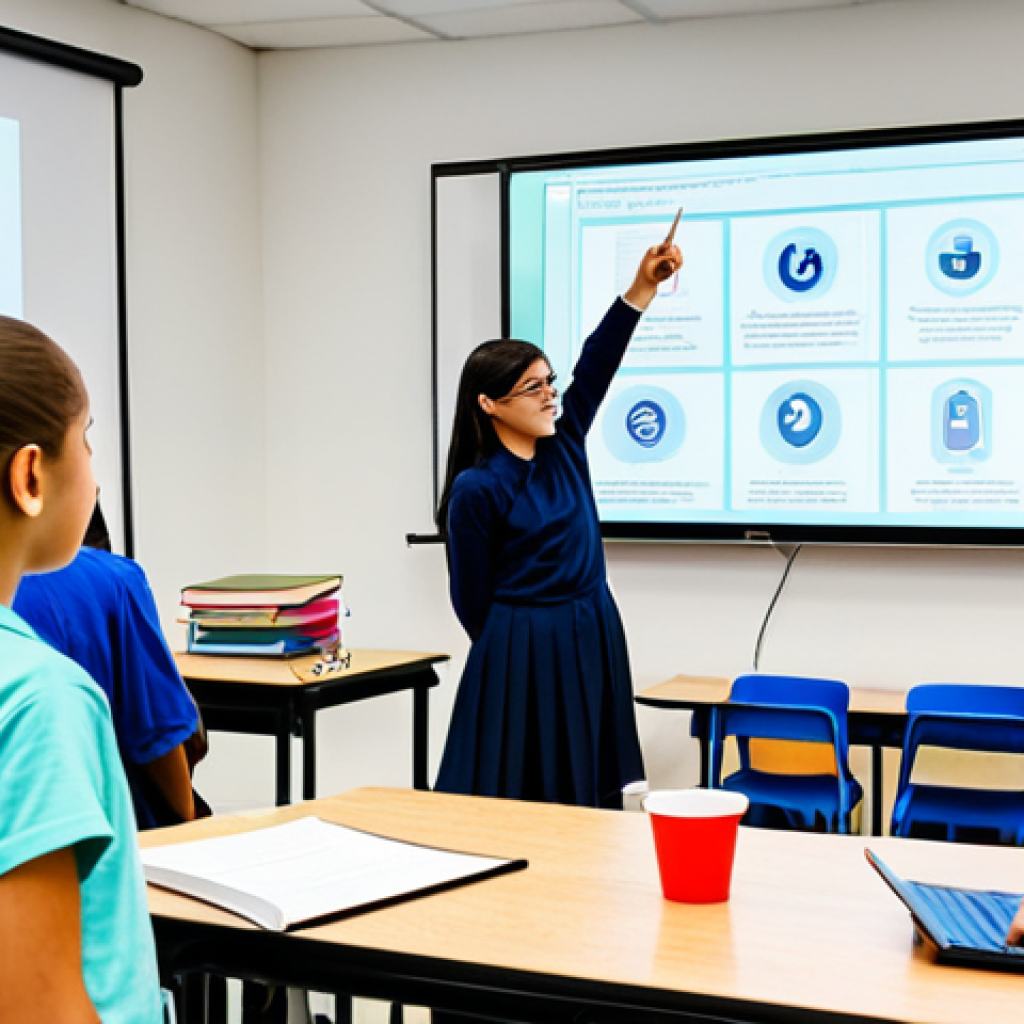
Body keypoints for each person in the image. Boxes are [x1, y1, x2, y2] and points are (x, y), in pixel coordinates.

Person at [434, 236, 683, 809]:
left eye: (549, 382)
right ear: (489, 404)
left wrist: (642, 287)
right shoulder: (477, 488)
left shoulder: (565, 443)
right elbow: (471, 601)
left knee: (587, 786)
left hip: (593, 626)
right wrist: (519, 643)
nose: (550, 396)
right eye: (532, 388)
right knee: (518, 791)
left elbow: (598, 360)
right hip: (521, 643)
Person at [0, 316, 162, 1022]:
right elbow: (39, 1007)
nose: (93, 466)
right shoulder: (41, 697)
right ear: (30, 474)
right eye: (87, 437)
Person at [14, 502, 207, 830]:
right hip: (107, 838)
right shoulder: (112, 579)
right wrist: (188, 819)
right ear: (29, 473)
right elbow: (157, 733)